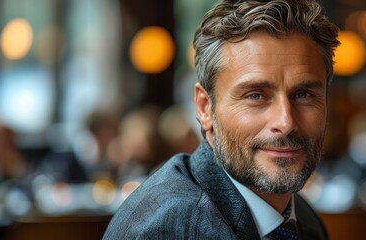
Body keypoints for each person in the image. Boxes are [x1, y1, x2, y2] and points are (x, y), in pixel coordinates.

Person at [104, 0, 339, 238]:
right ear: (205, 108)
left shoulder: (300, 217)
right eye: (255, 96)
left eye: (304, 94)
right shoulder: (167, 228)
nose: (286, 122)